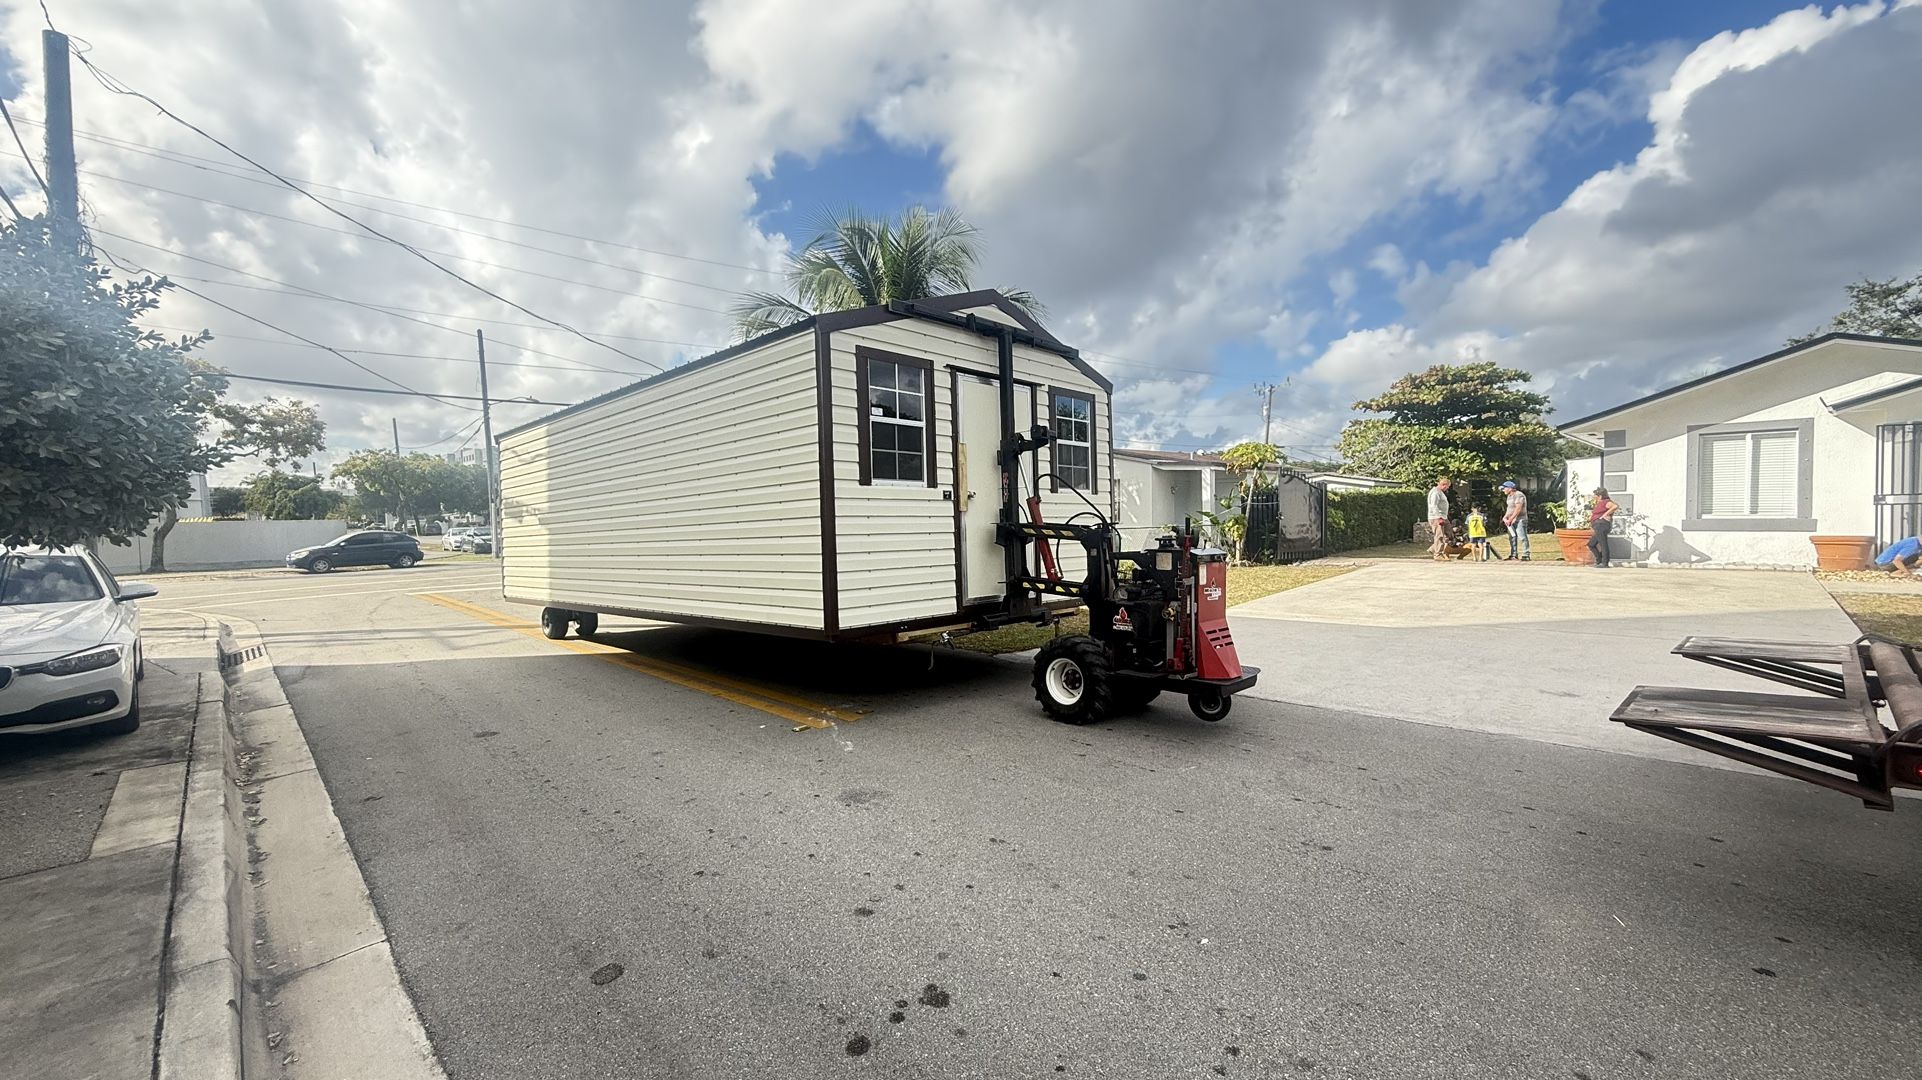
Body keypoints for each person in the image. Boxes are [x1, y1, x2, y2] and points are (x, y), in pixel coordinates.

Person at [1588, 487, 1619, 568]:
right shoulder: (1600, 503)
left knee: (1603, 544)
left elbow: (1615, 506)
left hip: (1601, 525)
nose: (1594, 497)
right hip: (1597, 525)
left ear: (1600, 496)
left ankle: (1604, 563)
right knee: (1591, 544)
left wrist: (1605, 515)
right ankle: (1599, 561)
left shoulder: (1606, 502)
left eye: (1596, 495)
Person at [1500, 480, 1529, 561]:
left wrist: (1511, 519)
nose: (1503, 490)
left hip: (1520, 520)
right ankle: (1513, 554)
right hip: (1510, 521)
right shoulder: (1509, 497)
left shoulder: (1519, 495)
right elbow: (1509, 509)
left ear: (1510, 488)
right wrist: (1505, 517)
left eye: (1504, 488)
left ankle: (1526, 554)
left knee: (1522, 537)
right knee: (1512, 537)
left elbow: (1518, 508)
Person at [1427, 477, 1453, 560]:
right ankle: (1437, 554)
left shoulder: (1440, 492)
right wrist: (1438, 517)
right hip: (1437, 517)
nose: (1448, 488)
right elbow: (1433, 505)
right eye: (1447, 486)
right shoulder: (1435, 493)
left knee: (1449, 534)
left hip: (1444, 517)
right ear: (1443, 485)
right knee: (1439, 535)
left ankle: (1433, 548)